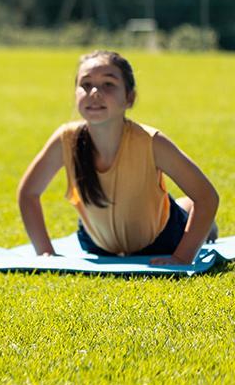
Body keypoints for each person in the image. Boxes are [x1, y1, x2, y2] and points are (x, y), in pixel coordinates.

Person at [17, 50, 220, 264]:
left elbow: (207, 197)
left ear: (129, 98)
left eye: (108, 84)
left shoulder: (152, 142)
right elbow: (28, 193)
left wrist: (182, 257)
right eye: (85, 84)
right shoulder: (65, 140)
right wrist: (45, 252)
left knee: (187, 212)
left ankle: (185, 207)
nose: (95, 92)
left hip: (163, 239)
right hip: (97, 244)